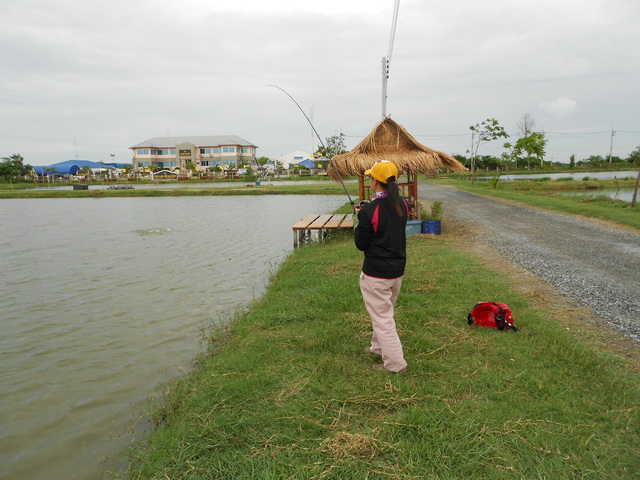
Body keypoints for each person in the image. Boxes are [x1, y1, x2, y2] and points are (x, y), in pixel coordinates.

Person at [354, 160, 408, 374]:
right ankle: (378, 348)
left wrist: (360, 219)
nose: (370, 179)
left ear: (375, 181)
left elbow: (361, 244)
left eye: (370, 177)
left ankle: (396, 365)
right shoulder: (402, 204)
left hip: (376, 274)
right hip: (396, 272)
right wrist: (363, 214)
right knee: (384, 313)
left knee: (383, 317)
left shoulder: (369, 211)